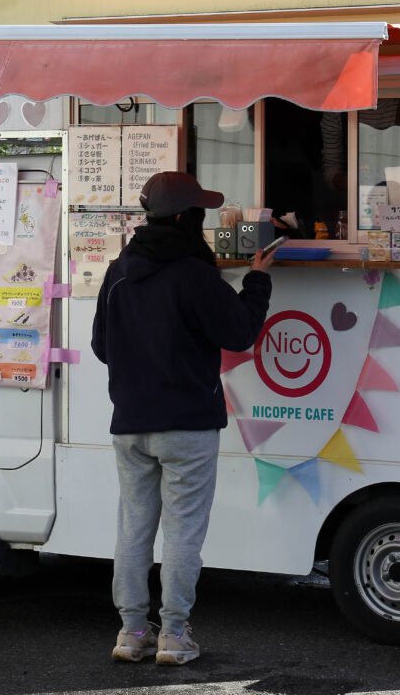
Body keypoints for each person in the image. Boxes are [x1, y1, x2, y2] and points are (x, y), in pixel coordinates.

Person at [91, 171, 276, 666]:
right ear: (184, 218)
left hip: (130, 423)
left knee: (134, 529)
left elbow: (101, 346)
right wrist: (258, 278)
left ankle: (131, 632)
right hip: (188, 425)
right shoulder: (194, 274)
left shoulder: (119, 270)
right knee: (182, 533)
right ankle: (173, 635)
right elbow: (240, 332)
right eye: (199, 213)